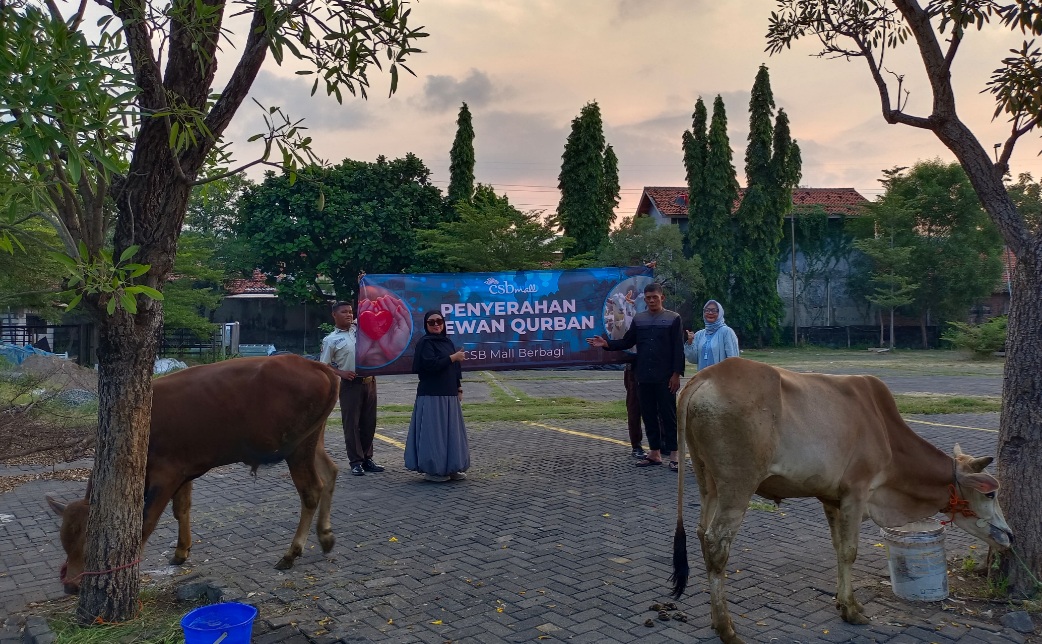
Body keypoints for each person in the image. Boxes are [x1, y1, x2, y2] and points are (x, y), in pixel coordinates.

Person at [587, 282, 685, 471]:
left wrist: (676, 374)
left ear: (662, 298)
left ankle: (674, 455)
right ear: (645, 300)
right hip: (643, 375)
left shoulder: (674, 319)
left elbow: (678, 349)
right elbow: (627, 341)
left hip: (665, 377)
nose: (651, 301)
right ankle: (654, 453)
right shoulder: (639, 319)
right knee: (648, 415)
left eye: (654, 297)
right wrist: (606, 344)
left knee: (668, 415)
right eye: (648, 298)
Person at [319, 301, 384, 477]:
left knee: (369, 423)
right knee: (352, 425)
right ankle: (356, 462)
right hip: (351, 385)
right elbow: (323, 365)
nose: (349, 314)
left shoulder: (359, 329)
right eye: (344, 312)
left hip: (370, 382)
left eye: (350, 311)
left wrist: (361, 283)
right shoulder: (331, 339)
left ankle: (367, 458)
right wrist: (341, 372)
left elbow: (367, 308)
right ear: (334, 315)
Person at [405, 311, 470, 483]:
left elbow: (455, 368)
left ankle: (452, 467)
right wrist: (453, 357)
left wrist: (459, 387)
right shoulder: (425, 343)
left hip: (449, 394)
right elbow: (429, 365)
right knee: (434, 433)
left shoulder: (447, 342)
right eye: (431, 322)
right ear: (426, 325)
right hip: (432, 394)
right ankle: (434, 470)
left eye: (439, 321)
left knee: (451, 433)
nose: (436, 325)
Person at [684, 299, 740, 370]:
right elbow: (693, 360)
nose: (710, 313)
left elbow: (733, 361)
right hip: (703, 379)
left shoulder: (727, 332)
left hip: (720, 379)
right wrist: (690, 342)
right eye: (707, 310)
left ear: (720, 313)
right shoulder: (699, 334)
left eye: (714, 310)